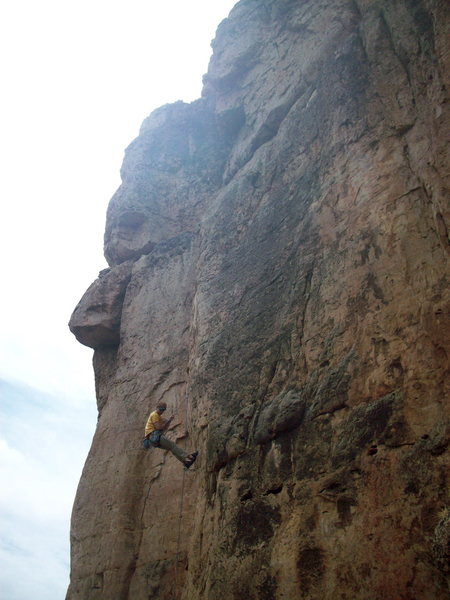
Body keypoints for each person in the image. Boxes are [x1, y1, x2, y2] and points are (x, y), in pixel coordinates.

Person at [144, 401, 198, 469]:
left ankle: (186, 462)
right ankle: (189, 457)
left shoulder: (158, 416)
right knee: (173, 445)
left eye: (163, 410)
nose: (162, 411)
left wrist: (170, 420)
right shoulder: (154, 415)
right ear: (157, 408)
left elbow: (165, 426)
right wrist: (166, 422)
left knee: (171, 448)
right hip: (154, 436)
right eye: (161, 409)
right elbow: (159, 427)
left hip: (153, 440)